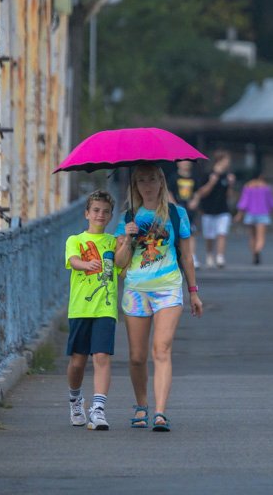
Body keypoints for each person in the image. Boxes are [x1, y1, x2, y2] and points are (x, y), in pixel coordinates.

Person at [115, 164, 202, 431]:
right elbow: (119, 263)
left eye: (152, 179)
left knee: (161, 349)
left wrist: (193, 292)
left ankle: (160, 412)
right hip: (136, 290)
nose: (148, 185)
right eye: (142, 181)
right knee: (137, 356)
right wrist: (127, 238)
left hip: (168, 288)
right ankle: (142, 405)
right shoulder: (128, 217)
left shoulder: (176, 214)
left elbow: (186, 256)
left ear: (161, 182)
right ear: (135, 186)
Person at [64, 190, 131, 430]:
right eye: (95, 210)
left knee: (101, 357)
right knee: (78, 361)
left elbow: (122, 267)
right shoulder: (75, 240)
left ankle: (98, 409)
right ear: (87, 214)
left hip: (105, 308)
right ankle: (75, 400)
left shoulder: (114, 241)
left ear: (111, 216)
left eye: (105, 212)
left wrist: (127, 241)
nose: (100, 215)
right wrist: (86, 264)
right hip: (80, 308)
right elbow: (73, 261)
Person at [196, 151, 235, 268]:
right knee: (209, 236)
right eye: (226, 160)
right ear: (220, 160)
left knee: (222, 233)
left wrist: (231, 184)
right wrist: (211, 183)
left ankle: (220, 257)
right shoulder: (208, 174)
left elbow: (229, 196)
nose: (228, 163)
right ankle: (209, 255)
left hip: (223, 210)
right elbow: (201, 193)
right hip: (208, 210)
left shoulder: (227, 176)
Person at [235, 170, 273, 265]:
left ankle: (254, 254)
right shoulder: (266, 187)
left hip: (250, 214)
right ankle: (257, 250)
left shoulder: (248, 186)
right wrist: (271, 210)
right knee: (261, 237)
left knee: (252, 236)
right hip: (263, 213)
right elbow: (271, 202)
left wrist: (239, 214)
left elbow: (243, 202)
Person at [169, 159, 202, 268]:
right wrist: (174, 205)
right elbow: (169, 192)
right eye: (183, 161)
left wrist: (195, 201)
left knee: (191, 232)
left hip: (189, 211)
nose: (186, 163)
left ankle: (192, 256)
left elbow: (197, 192)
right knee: (176, 233)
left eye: (188, 161)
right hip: (177, 210)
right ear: (178, 163)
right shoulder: (173, 177)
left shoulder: (194, 177)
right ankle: (176, 256)